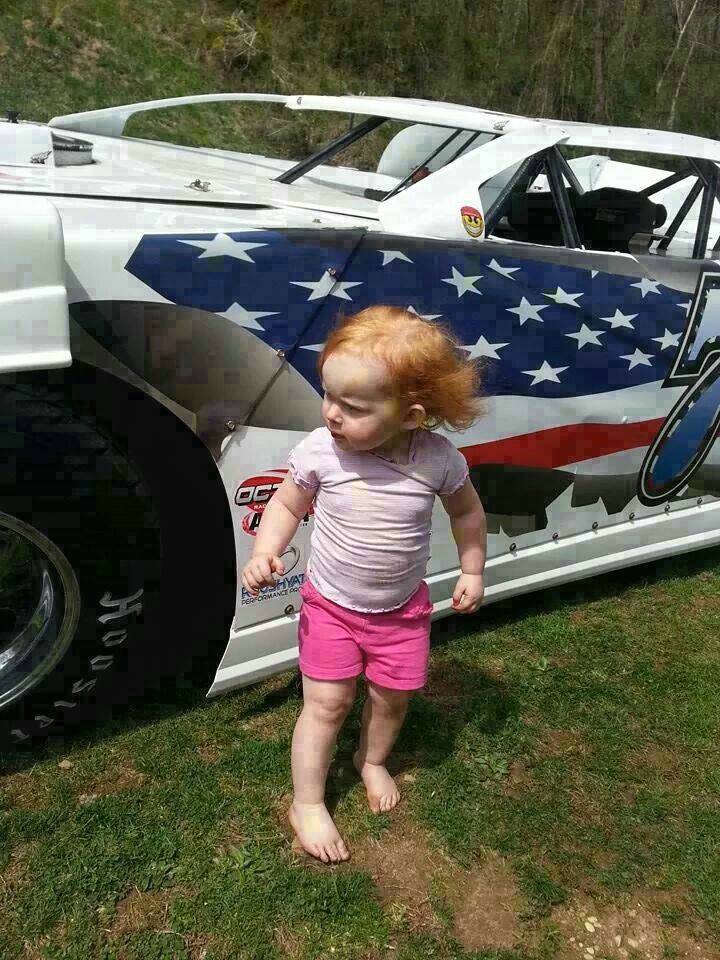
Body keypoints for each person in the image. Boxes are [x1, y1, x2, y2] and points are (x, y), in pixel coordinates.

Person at [241, 305, 488, 865]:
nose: (331, 414)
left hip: (401, 612)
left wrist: (472, 568)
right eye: (328, 396)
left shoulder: (438, 462)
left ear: (411, 415)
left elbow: (468, 514)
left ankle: (370, 760)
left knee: (391, 699)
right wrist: (265, 551)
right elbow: (285, 502)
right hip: (330, 607)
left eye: (352, 407)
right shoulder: (320, 451)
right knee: (327, 703)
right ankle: (307, 802)